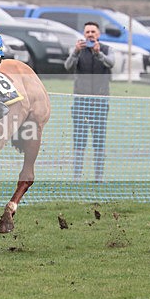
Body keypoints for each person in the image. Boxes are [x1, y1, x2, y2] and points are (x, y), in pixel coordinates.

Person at [64, 21, 115, 182]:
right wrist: (75, 52)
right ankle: (77, 178)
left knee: (99, 140)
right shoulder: (78, 50)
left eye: (93, 31)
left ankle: (98, 178)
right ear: (84, 34)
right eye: (87, 32)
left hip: (100, 102)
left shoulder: (107, 49)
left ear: (98, 34)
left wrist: (98, 53)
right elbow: (67, 66)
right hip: (81, 102)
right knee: (79, 139)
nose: (90, 34)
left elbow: (111, 63)